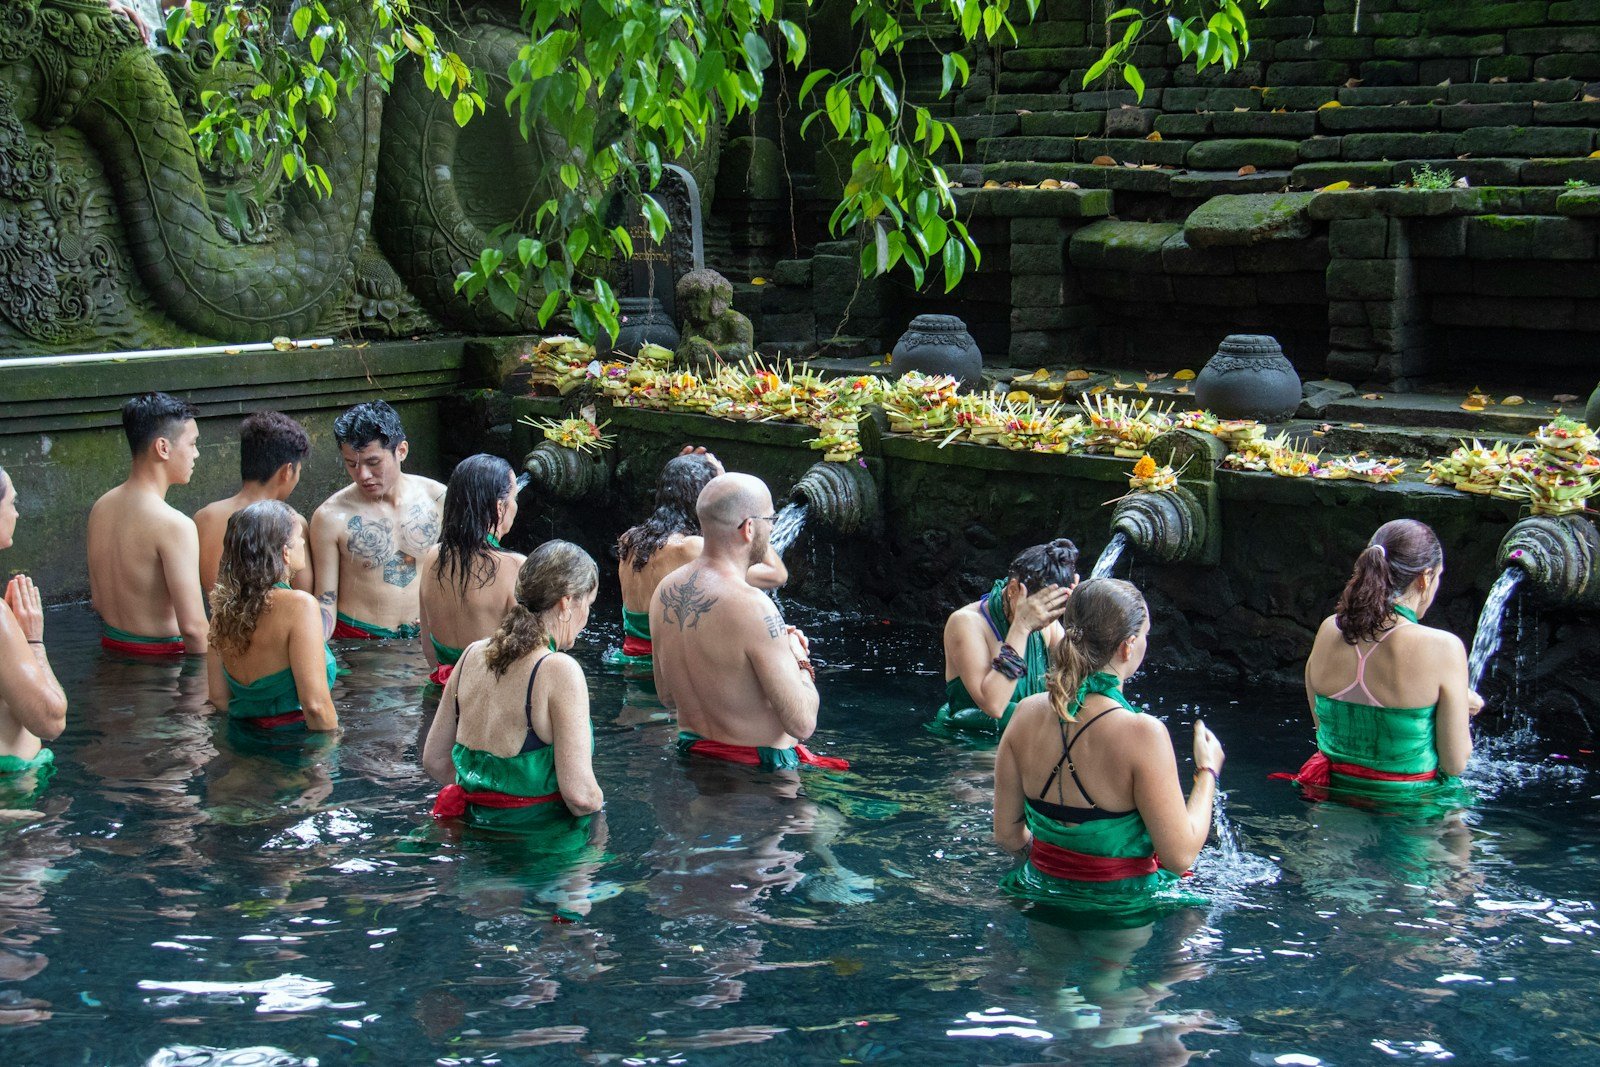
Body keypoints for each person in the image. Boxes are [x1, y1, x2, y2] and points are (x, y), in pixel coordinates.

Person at [994, 578, 1219, 923]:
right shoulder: (1144, 733)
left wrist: (1064, 865)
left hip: (1042, 897)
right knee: (1111, 977)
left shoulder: (1024, 713)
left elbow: (1008, 835)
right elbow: (1180, 857)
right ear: (1128, 646)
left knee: (1044, 975)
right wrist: (1207, 772)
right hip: (1119, 909)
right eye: (1145, 635)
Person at [650, 473, 845, 772]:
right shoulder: (753, 605)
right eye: (771, 519)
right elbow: (803, 723)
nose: (773, 527)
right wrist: (800, 660)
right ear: (749, 527)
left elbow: (666, 697)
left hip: (692, 764)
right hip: (760, 777)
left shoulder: (665, 591)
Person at [1281, 519, 1479, 810]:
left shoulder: (1328, 631)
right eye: (1438, 577)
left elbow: (1325, 730)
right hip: (1410, 812)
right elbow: (1455, 762)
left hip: (1335, 803)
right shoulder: (1444, 648)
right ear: (1424, 578)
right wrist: (1462, 706)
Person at [423, 540, 604, 828]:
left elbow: (434, 759)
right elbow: (580, 796)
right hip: (537, 851)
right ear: (566, 603)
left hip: (472, 839)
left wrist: (485, 801)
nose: (587, 618)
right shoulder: (559, 670)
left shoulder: (471, 654)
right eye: (589, 605)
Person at [607, 448, 786, 670]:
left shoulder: (629, 540)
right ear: (705, 499)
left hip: (628, 662)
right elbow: (775, 574)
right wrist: (732, 496)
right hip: (667, 670)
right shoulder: (692, 548)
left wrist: (680, 470)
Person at [310, 400, 446, 640]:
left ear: (401, 451)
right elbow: (324, 600)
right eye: (351, 464)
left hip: (425, 633)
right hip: (360, 639)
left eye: (373, 463)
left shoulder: (437, 497)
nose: (362, 475)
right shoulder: (330, 517)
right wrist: (317, 650)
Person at [87, 392, 209, 655]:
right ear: (163, 448)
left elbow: (97, 602)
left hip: (110, 657)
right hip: (164, 667)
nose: (197, 454)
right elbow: (194, 629)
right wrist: (209, 693)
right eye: (192, 444)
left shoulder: (101, 507)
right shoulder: (175, 525)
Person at [206, 501, 338, 732]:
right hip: (294, 747)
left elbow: (218, 698)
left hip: (244, 743)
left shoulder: (222, 612)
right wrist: (330, 753)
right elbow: (315, 706)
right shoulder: (300, 605)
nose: (304, 542)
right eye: (299, 537)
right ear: (285, 552)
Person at [936, 539, 1078, 735]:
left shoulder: (1047, 622)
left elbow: (1081, 679)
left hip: (1031, 740)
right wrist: (1021, 627)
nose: (1047, 620)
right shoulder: (966, 623)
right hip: (973, 748)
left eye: (1055, 612)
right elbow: (994, 705)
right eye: (1042, 610)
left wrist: (1075, 609)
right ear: (1013, 590)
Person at [419, 454, 524, 687]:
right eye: (514, 498)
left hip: (441, 692)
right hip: (489, 698)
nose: (516, 506)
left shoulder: (432, 556)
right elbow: (529, 657)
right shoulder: (515, 567)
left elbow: (427, 647)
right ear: (499, 507)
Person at [0, 467, 69, 788]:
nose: (16, 512)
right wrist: (31, 640)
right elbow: (50, 720)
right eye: (12, 503)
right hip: (12, 800)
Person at [195, 411, 313, 595]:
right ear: (287, 471)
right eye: (298, 471)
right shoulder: (293, 523)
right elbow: (304, 594)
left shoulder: (204, 518)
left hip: (224, 622)